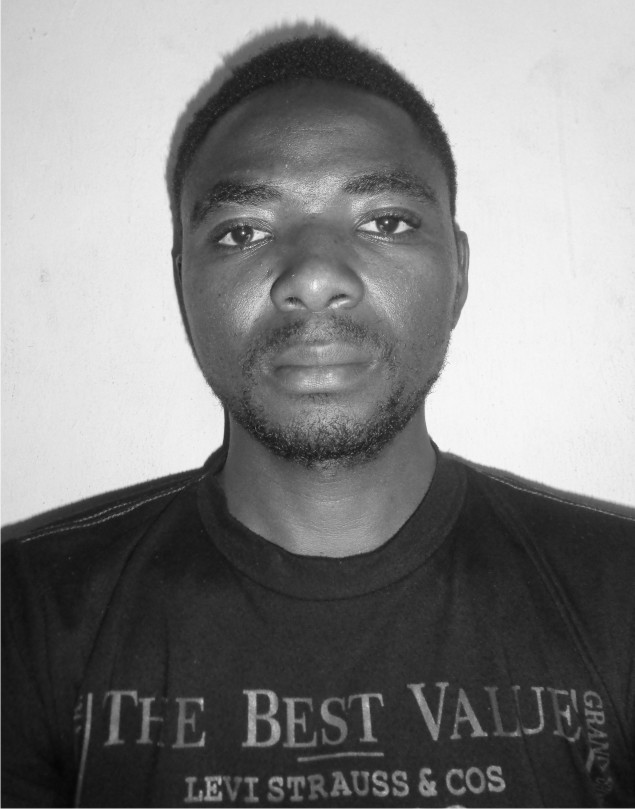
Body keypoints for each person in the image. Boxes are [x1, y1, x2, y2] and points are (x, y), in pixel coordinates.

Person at [2, 31, 634, 809]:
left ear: (458, 273)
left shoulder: (619, 593)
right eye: (242, 231)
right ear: (183, 283)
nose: (312, 277)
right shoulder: (23, 613)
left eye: (385, 221)